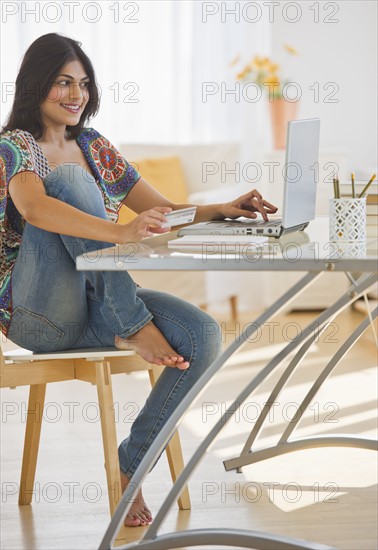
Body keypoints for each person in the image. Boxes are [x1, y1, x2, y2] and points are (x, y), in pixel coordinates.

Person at [0, 33, 277, 527]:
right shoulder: (15, 145)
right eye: (63, 82)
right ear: (35, 84)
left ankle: (130, 466)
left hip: (95, 306)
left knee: (202, 335)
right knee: (67, 183)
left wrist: (221, 209)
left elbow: (162, 213)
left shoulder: (95, 145)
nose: (76, 94)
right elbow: (34, 207)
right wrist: (121, 231)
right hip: (39, 314)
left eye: (83, 83)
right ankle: (131, 321)